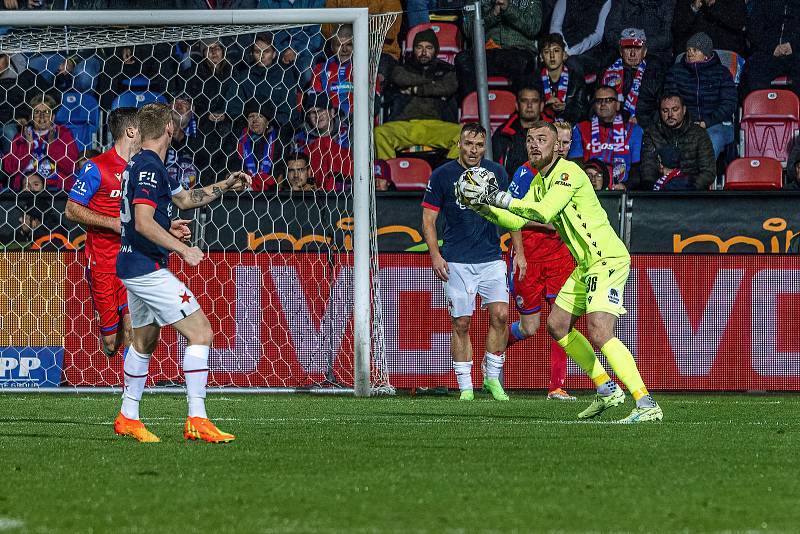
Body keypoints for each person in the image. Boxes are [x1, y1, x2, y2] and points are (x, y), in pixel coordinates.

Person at [460, 120, 663, 423]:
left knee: (599, 329)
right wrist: (481, 207)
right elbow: (517, 220)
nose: (534, 144)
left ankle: (645, 402)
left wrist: (495, 196)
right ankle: (606, 389)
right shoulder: (539, 182)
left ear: (556, 146)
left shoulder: (568, 172)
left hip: (606, 257)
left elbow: (543, 213)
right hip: (585, 264)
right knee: (557, 325)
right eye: (530, 139)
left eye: (542, 139)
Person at [113, 102, 251, 444]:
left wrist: (226, 184)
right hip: (146, 267)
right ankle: (197, 418)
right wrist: (183, 248)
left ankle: (128, 416)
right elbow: (143, 222)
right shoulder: (149, 166)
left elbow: (185, 200)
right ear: (170, 130)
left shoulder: (147, 165)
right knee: (201, 331)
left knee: (145, 341)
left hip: (134, 263)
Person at [421, 122, 513, 402]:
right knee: (461, 322)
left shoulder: (496, 173)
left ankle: (493, 378)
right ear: (459, 144)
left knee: (501, 315)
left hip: (491, 258)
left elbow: (511, 212)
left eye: (479, 145)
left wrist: (518, 251)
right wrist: (435, 255)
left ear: (485, 147)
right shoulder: (442, 175)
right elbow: (428, 219)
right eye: (468, 144)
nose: (474, 150)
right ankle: (465, 387)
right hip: (457, 262)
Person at [505, 122, 577, 401]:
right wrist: (520, 252)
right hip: (530, 256)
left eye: (567, 143)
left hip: (560, 257)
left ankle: (557, 386)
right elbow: (510, 212)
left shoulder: (572, 174)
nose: (562, 147)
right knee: (529, 327)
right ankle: (494, 352)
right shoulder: (526, 173)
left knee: (562, 323)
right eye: (559, 142)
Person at [65, 108, 145, 358]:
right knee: (111, 342)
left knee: (134, 328)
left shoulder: (145, 167)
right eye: (143, 127)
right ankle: (114, 341)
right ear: (131, 131)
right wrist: (111, 223)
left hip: (133, 261)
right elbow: (71, 210)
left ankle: (132, 394)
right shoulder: (97, 167)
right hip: (102, 263)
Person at [375, 28, 461, 161]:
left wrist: (415, 90)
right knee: (380, 133)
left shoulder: (446, 69)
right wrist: (432, 83)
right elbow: (400, 78)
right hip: (406, 125)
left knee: (464, 135)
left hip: (436, 126)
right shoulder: (403, 67)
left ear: (435, 50)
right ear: (413, 49)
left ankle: (446, 172)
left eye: (429, 47)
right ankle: (388, 176)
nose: (424, 52)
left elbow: (448, 87)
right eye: (419, 47)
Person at [664, 33, 737, 160]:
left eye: (695, 50)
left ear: (706, 55)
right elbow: (671, 101)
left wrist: (706, 122)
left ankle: (703, 178)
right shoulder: (676, 72)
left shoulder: (721, 73)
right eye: (688, 50)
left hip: (716, 124)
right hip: (684, 125)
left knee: (711, 141)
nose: (690, 53)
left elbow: (729, 104)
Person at [456, 0, 541, 99]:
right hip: (486, 53)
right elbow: (469, 31)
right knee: (462, 60)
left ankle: (517, 111)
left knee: (523, 63)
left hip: (518, 52)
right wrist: (493, 14)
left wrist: (508, 8)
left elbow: (533, 27)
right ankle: (472, 109)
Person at [568, 85, 644, 189]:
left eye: (608, 100)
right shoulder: (581, 128)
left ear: (617, 105)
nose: (603, 104)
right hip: (589, 189)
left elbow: (637, 168)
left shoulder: (634, 130)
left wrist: (626, 186)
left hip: (621, 190)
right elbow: (575, 165)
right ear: (594, 105)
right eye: (599, 101)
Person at [2, 93, 78, 191]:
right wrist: (28, 147)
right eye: (37, 112)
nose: (42, 117)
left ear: (53, 117)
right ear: (31, 117)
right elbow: (10, 169)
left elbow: (70, 167)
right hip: (25, 189)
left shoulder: (64, 135)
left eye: (46, 112)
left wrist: (52, 145)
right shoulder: (21, 136)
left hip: (55, 189)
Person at [640, 93, 716, 190]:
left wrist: (687, 185)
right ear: (660, 112)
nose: (670, 115)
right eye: (665, 111)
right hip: (661, 192)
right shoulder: (652, 134)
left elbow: (708, 172)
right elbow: (648, 169)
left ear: (684, 110)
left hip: (692, 193)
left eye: (675, 110)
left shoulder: (699, 134)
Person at [600, 28, 663, 129]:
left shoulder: (656, 73)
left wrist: (641, 121)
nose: (632, 54)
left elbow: (663, 107)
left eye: (637, 48)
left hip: (645, 128)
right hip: (610, 126)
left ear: (645, 51)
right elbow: (595, 106)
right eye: (628, 48)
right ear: (621, 51)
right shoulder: (608, 72)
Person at [232, 99, 292, 192]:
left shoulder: (279, 140)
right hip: (244, 190)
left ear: (267, 122)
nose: (255, 120)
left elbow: (281, 169)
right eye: (251, 116)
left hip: (272, 191)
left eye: (260, 116)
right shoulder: (238, 139)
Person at [744, 0, 800, 97]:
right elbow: (754, 30)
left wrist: (793, 46)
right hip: (769, 52)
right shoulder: (763, 3)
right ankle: (760, 108)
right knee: (755, 68)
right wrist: (772, 47)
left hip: (796, 52)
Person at [492, 85, 545, 178]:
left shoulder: (553, 132)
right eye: (524, 101)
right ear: (517, 105)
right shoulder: (503, 134)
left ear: (541, 106)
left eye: (534, 101)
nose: (529, 105)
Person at [549, 0, 612, 77]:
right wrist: (563, 49)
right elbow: (555, 27)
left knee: (572, 63)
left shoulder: (606, 2)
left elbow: (598, 35)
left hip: (588, 51)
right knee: (551, 57)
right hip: (562, 46)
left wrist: (571, 52)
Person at [538, 33, 587, 124]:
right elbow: (527, 110)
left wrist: (566, 108)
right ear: (541, 57)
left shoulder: (576, 79)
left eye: (556, 51)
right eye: (547, 52)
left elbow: (584, 112)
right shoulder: (534, 79)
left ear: (564, 55)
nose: (552, 56)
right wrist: (546, 104)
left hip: (568, 128)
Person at [672, 0, 747, 56]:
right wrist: (694, 8)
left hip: (723, 55)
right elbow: (678, 28)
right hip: (694, 57)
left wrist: (714, 4)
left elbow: (739, 22)